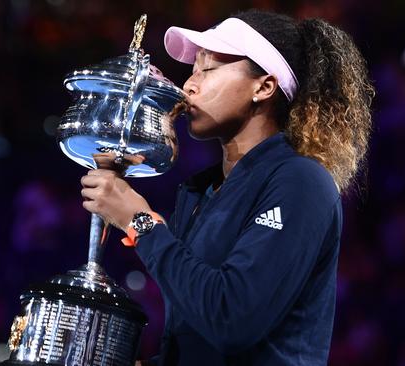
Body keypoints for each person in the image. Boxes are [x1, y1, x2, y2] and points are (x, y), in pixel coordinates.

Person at [80, 9, 374, 366]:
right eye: (193, 70)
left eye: (209, 69)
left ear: (263, 86)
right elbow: (201, 339)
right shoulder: (200, 193)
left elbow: (231, 318)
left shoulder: (301, 181)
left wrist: (140, 223)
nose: (189, 84)